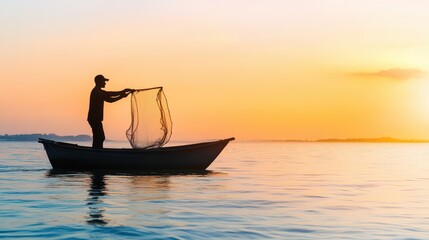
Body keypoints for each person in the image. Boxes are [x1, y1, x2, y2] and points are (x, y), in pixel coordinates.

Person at [87, 74, 134, 148]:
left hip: (95, 119)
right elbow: (110, 99)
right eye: (104, 81)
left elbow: (109, 93)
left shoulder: (98, 91)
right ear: (99, 82)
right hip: (94, 119)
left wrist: (122, 91)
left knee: (99, 137)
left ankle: (96, 151)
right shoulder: (97, 92)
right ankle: (96, 152)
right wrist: (121, 96)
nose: (105, 83)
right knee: (100, 137)